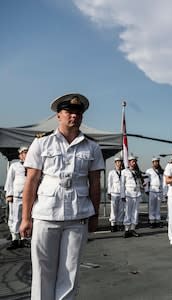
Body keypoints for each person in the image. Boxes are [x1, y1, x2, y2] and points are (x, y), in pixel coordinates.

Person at [19, 93, 104, 300]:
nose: (73, 116)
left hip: (77, 216)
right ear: (59, 116)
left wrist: (94, 216)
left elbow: (95, 184)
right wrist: (25, 218)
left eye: (78, 113)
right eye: (68, 112)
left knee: (70, 271)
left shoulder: (92, 147)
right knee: (42, 271)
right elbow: (31, 181)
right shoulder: (41, 143)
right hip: (46, 214)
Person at [4, 146, 29, 250]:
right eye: (23, 153)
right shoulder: (14, 166)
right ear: (20, 155)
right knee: (15, 218)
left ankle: (24, 239)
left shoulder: (33, 165)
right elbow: (10, 180)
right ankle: (15, 239)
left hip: (28, 197)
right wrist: (9, 194)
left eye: (27, 152)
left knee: (27, 218)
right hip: (16, 196)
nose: (25, 154)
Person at [121, 155, 143, 238]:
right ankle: (127, 230)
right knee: (127, 212)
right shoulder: (124, 171)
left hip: (137, 194)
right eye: (133, 161)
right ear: (129, 162)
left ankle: (132, 229)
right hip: (128, 194)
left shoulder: (137, 172)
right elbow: (122, 184)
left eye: (135, 161)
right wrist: (122, 195)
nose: (134, 163)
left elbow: (139, 182)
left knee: (135, 212)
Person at [145, 156, 164, 228]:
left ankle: (157, 220)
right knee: (152, 206)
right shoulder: (149, 171)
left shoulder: (161, 171)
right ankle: (152, 221)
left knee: (158, 207)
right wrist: (147, 190)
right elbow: (146, 181)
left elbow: (163, 182)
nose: (156, 163)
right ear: (152, 163)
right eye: (155, 162)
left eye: (157, 162)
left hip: (159, 190)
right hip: (152, 190)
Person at [107, 157, 125, 232]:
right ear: (115, 163)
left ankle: (120, 224)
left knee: (121, 209)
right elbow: (109, 183)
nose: (119, 163)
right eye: (117, 162)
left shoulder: (124, 172)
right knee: (113, 210)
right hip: (114, 193)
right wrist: (109, 193)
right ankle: (113, 224)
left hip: (122, 193)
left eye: (120, 162)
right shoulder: (112, 172)